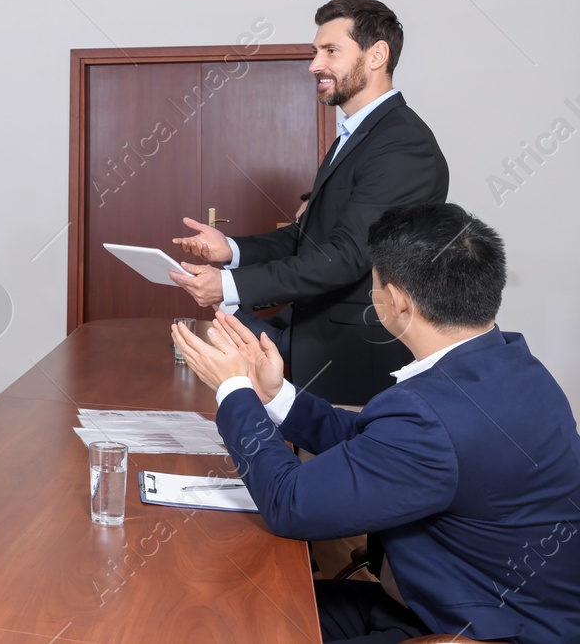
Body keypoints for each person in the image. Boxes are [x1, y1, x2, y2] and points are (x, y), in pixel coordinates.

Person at [174, 204, 580, 644]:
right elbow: (379, 446)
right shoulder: (514, 364)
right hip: (452, 601)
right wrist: (275, 396)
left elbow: (290, 505)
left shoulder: (431, 414)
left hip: (478, 631)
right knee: (228, 607)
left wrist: (233, 390)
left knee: (215, 621)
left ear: (397, 301)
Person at [170, 0, 449, 405]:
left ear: (377, 55)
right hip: (313, 347)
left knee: (328, 467)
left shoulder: (403, 144)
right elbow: (310, 237)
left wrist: (229, 285)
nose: (314, 65)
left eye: (330, 51)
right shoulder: (356, 137)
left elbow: (346, 256)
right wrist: (230, 249)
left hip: (354, 365)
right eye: (316, 51)